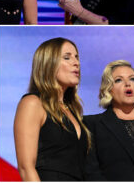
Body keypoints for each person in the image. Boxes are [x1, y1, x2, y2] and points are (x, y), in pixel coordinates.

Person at [14, 38, 90, 181]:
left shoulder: (72, 110)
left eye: (77, 57)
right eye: (67, 57)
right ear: (49, 64)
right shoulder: (33, 103)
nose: (76, 63)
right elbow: (26, 168)